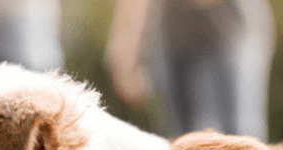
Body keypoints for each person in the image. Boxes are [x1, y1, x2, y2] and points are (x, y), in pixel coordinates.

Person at [106, 0, 275, 140]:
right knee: (180, 138)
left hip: (230, 24)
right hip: (175, 31)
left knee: (237, 133)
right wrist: (125, 50)